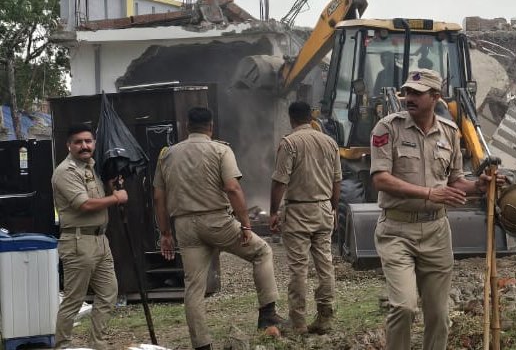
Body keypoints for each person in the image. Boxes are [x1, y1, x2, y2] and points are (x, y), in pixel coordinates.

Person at [370, 68, 502, 350]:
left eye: (417, 93)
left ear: (436, 97)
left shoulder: (450, 132)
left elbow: (455, 182)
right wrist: (430, 193)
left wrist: (479, 186)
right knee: (404, 307)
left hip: (436, 233)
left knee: (439, 316)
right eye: (407, 92)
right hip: (397, 231)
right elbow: (380, 179)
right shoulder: (387, 128)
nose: (409, 97)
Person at [153, 107, 285, 350]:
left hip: (184, 225)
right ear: (211, 127)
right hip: (217, 221)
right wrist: (245, 225)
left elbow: (158, 197)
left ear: (187, 126)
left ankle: (202, 344)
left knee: (194, 286)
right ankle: (267, 315)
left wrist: (165, 233)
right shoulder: (221, 150)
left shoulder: (167, 155)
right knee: (261, 252)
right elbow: (232, 188)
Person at [51, 123, 127, 350]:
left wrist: (110, 186)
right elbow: (84, 204)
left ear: (94, 143)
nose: (84, 146)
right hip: (78, 242)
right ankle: (63, 346)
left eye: (88, 141)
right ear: (69, 145)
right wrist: (117, 198)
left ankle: (98, 344)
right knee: (74, 300)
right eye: (78, 142)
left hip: (100, 240)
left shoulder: (91, 167)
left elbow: (96, 195)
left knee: (109, 293)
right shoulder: (65, 172)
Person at [269, 101, 342, 335]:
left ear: (291, 118)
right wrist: (334, 208)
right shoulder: (330, 142)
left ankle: (298, 322)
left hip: (298, 211)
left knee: (298, 268)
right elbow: (337, 181)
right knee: (325, 264)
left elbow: (280, 181)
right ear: (311, 117)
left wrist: (273, 211)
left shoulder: (289, 143)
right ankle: (325, 318)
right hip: (324, 208)